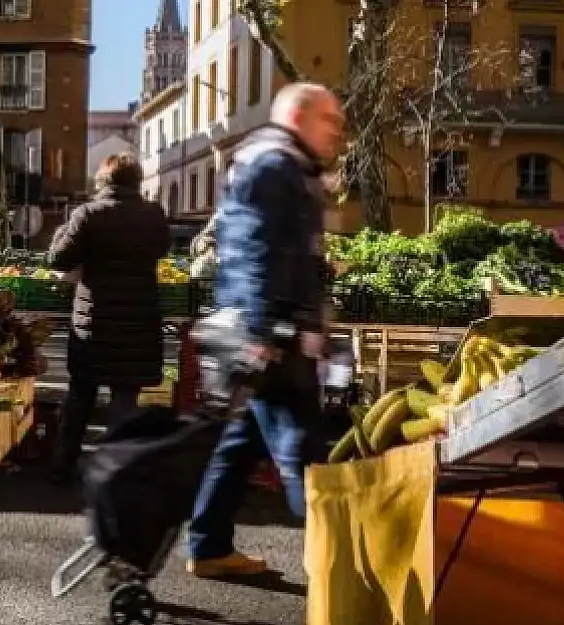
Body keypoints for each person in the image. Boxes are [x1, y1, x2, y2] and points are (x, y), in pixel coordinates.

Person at [187, 83, 345, 578]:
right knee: (303, 453)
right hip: (273, 335)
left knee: (242, 442)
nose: (337, 133)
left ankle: (209, 546)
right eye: (330, 121)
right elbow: (254, 251)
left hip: (273, 331)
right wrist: (265, 332)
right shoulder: (273, 165)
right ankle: (338, 571)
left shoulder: (282, 164)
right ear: (299, 116)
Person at [47, 153, 170, 484]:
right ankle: (117, 474)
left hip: (94, 322)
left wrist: (63, 229)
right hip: (137, 322)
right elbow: (163, 249)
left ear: (104, 181)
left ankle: (62, 467)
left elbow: (59, 259)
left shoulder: (88, 214)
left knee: (80, 396)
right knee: (124, 399)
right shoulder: (153, 215)